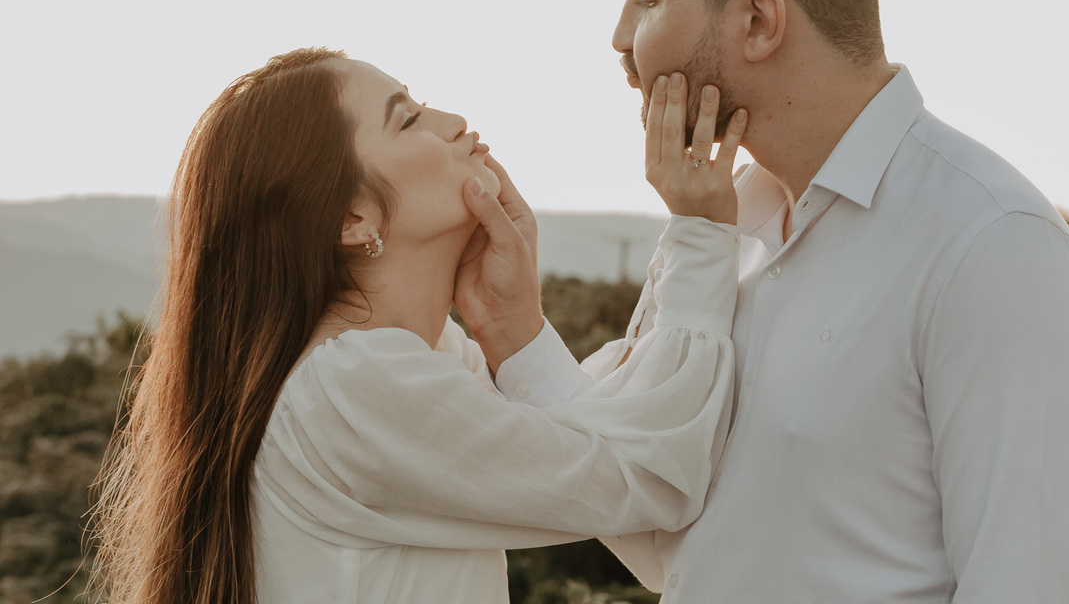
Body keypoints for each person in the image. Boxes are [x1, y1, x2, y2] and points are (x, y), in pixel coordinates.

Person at [463, 0, 1069, 601]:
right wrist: (515, 334)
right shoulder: (713, 228)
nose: (621, 34)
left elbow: (1026, 584)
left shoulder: (993, 244)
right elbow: (661, 526)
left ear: (758, 20)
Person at [88, 47, 749, 604]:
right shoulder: (353, 385)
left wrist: (513, 331)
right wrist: (701, 232)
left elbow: (635, 508)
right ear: (351, 220)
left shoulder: (425, 360)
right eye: (407, 120)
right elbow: (650, 482)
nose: (454, 122)